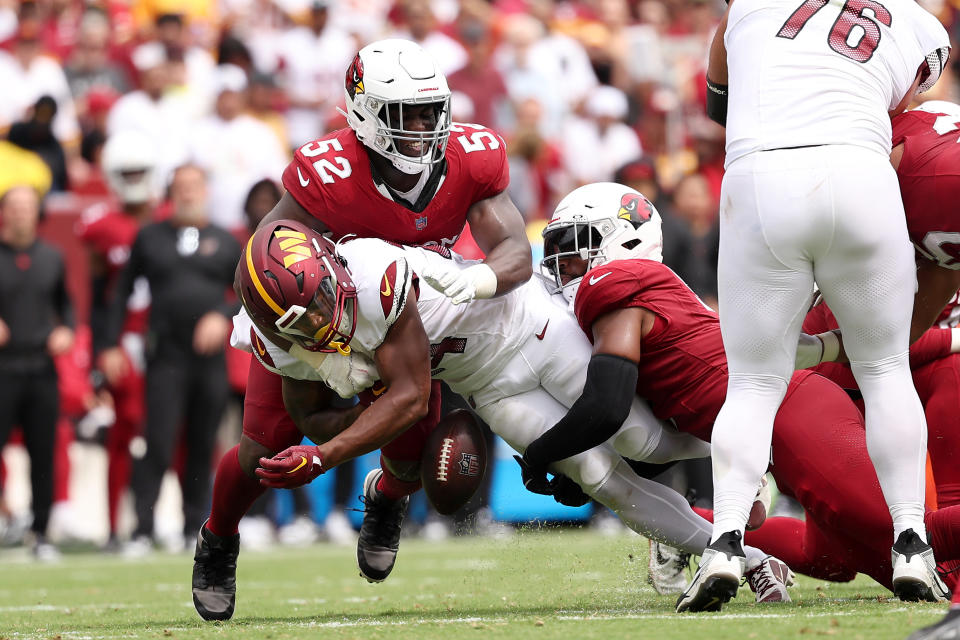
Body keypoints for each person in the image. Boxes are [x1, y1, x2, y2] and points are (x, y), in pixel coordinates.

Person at [219, 218, 786, 618]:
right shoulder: (274, 344)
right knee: (601, 479)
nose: (327, 315)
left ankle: (758, 450)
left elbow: (413, 397)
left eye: (324, 295)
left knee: (641, 438)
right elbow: (315, 416)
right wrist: (334, 432)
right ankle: (754, 560)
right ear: (270, 325)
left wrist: (323, 457)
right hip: (484, 384)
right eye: (306, 316)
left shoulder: (374, 272)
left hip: (527, 328)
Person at [192, 38, 534, 621]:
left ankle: (387, 496)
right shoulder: (328, 172)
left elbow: (514, 252)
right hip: (323, 310)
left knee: (410, 451)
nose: (424, 127)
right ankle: (219, 536)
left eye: (432, 111)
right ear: (365, 113)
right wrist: (295, 322)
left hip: (404, 315)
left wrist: (474, 282)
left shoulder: (471, 156)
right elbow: (265, 252)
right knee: (262, 452)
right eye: (407, 115)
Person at [525, 182, 958, 609]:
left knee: (915, 543)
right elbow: (667, 428)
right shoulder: (640, 299)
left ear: (623, 238)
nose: (562, 264)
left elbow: (607, 406)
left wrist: (541, 452)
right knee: (836, 559)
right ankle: (709, 531)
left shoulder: (617, 280)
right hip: (774, 430)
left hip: (796, 414)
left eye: (575, 245)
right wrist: (577, 474)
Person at [699, 0, 951, 609]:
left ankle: (725, 542)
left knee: (755, 383)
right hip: (858, 169)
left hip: (759, 174)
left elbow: (716, 100)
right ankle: (912, 541)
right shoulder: (924, 26)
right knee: (886, 369)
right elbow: (901, 120)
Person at [99, 164, 241, 554]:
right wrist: (109, 343)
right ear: (169, 192)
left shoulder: (226, 241)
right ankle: (142, 529)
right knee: (158, 440)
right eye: (181, 187)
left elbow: (247, 293)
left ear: (206, 190)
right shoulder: (150, 237)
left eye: (195, 186)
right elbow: (122, 291)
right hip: (166, 355)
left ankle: (193, 526)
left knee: (201, 442)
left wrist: (222, 315)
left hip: (209, 358)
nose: (189, 193)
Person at [76, 130, 158, 548]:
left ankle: (163, 523)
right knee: (124, 433)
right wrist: (100, 350)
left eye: (139, 171)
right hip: (123, 344)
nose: (133, 178)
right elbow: (96, 297)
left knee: (167, 433)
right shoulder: (100, 226)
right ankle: (114, 527)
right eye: (126, 171)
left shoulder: (167, 222)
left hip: (163, 343)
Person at [0, 185, 75, 559]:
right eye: (13, 207)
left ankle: (40, 532)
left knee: (43, 453)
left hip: (41, 368)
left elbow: (68, 307)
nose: (20, 214)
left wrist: (66, 330)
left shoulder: (52, 258)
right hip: (3, 367)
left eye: (27, 207)